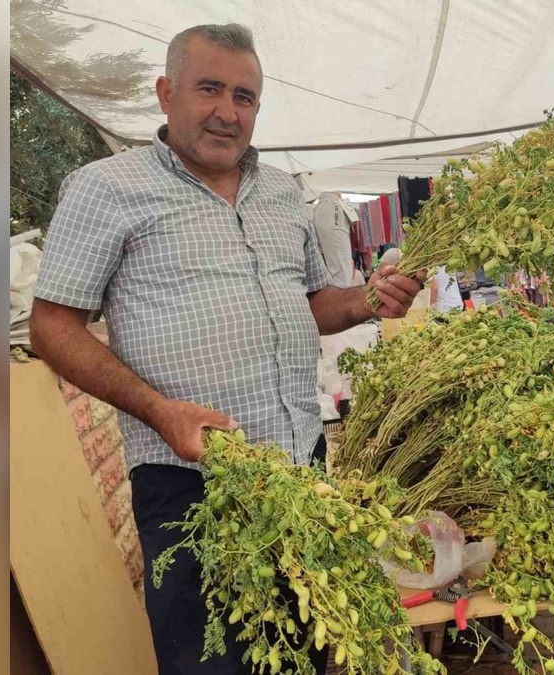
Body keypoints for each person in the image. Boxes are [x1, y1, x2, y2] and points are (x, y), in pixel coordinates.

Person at [28, 24, 423, 675]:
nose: (227, 110)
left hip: (300, 472)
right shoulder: (106, 188)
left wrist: (370, 299)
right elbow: (51, 326)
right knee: (211, 662)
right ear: (166, 92)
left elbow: (313, 301)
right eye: (209, 88)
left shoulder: (281, 195)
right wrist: (161, 410)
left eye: (244, 96)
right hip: (191, 488)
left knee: (301, 651)